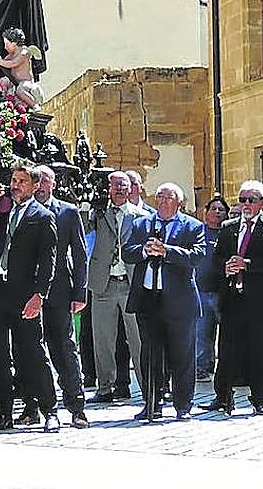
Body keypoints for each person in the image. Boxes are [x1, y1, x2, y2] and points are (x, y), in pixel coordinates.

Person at [0, 165, 60, 431]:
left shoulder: (43, 216)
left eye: (22, 181)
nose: (16, 185)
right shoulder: (1, 212)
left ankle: (50, 409)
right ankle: (3, 413)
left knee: (33, 353)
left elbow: (48, 260)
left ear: (35, 186)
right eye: (14, 180)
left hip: (24, 295)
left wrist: (39, 295)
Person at [200, 181, 263, 416]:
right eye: (242, 199)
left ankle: (260, 398)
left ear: (262, 203)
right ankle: (223, 396)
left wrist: (247, 265)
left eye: (251, 199)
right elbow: (217, 258)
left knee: (261, 349)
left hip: (262, 300)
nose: (246, 204)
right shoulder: (228, 227)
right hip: (233, 297)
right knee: (227, 348)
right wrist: (226, 266)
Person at [122, 182, 205, 421]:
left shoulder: (192, 226)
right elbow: (127, 251)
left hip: (179, 301)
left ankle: (182, 405)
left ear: (179, 202)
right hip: (148, 297)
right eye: (159, 197)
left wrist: (167, 251)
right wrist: (145, 251)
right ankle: (151, 404)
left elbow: (197, 256)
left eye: (169, 198)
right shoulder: (142, 224)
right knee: (150, 354)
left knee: (181, 355)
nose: (163, 201)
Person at [25, 165, 89, 428]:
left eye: (44, 182)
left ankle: (76, 405)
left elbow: (80, 253)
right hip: (29, 291)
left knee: (64, 347)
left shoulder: (68, 212)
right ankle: (33, 406)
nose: (39, 187)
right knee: (29, 349)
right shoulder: (24, 211)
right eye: (35, 182)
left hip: (60, 291)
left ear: (52, 184)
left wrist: (80, 291)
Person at [86, 171, 145, 402]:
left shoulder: (140, 215)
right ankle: (104, 388)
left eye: (124, 185)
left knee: (138, 339)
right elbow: (82, 228)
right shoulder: (97, 213)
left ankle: (148, 386)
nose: (120, 189)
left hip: (130, 284)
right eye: (115, 186)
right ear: (109, 189)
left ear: (131, 189)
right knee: (103, 339)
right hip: (104, 283)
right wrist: (90, 203)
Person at [195, 194, 228, 381]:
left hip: (224, 293)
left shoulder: (229, 233)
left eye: (221, 209)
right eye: (213, 209)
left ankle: (227, 370)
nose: (217, 212)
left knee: (227, 335)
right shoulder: (197, 232)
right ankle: (202, 369)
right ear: (205, 213)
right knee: (202, 335)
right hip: (202, 292)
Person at [0, 27, 44, 109]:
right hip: (14, 81)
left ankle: (34, 105)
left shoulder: (24, 52)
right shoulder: (11, 55)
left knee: (20, 91)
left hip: (25, 81)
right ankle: (2, 101)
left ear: (14, 43)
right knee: (3, 81)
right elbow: (3, 63)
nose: (5, 47)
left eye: (6, 44)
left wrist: (0, 62)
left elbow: (13, 63)